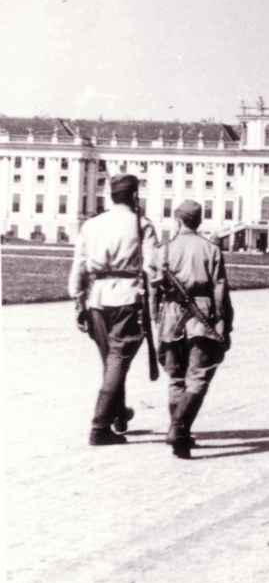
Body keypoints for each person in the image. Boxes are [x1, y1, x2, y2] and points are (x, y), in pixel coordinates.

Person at [69, 174, 157, 446]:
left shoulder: (92, 224)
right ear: (134, 196)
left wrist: (78, 300)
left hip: (97, 299)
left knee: (111, 361)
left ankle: (119, 414)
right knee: (118, 360)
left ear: (110, 196)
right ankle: (99, 426)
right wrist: (153, 309)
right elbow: (151, 270)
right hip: (127, 298)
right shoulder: (142, 225)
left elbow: (79, 267)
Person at [153, 200, 233, 459]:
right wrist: (222, 321)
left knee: (176, 379)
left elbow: (154, 290)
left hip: (171, 316)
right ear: (198, 222)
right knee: (197, 378)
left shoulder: (162, 250)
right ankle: (179, 429)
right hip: (202, 315)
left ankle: (180, 436)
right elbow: (219, 287)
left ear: (177, 221)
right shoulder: (211, 249)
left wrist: (157, 318)